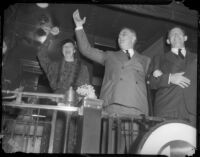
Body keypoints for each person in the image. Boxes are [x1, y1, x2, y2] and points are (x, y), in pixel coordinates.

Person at [73, 9, 151, 154]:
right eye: (119, 36)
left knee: (135, 149)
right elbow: (86, 50)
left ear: (133, 38)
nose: (119, 37)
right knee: (112, 149)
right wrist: (79, 26)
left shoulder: (146, 60)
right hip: (112, 106)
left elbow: (156, 79)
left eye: (124, 34)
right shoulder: (109, 56)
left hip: (136, 109)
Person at [37, 35, 90, 153]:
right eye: (64, 47)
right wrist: (50, 36)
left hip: (73, 108)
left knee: (70, 139)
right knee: (51, 138)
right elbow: (41, 54)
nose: (67, 48)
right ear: (62, 50)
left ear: (74, 50)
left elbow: (86, 91)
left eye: (70, 46)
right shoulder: (54, 66)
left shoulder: (83, 68)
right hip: (55, 107)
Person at [148, 26, 197, 127]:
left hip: (192, 111)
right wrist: (169, 78)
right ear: (168, 41)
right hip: (167, 109)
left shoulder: (196, 58)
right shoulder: (159, 58)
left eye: (179, 33)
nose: (176, 36)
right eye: (172, 35)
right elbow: (151, 82)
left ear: (185, 38)